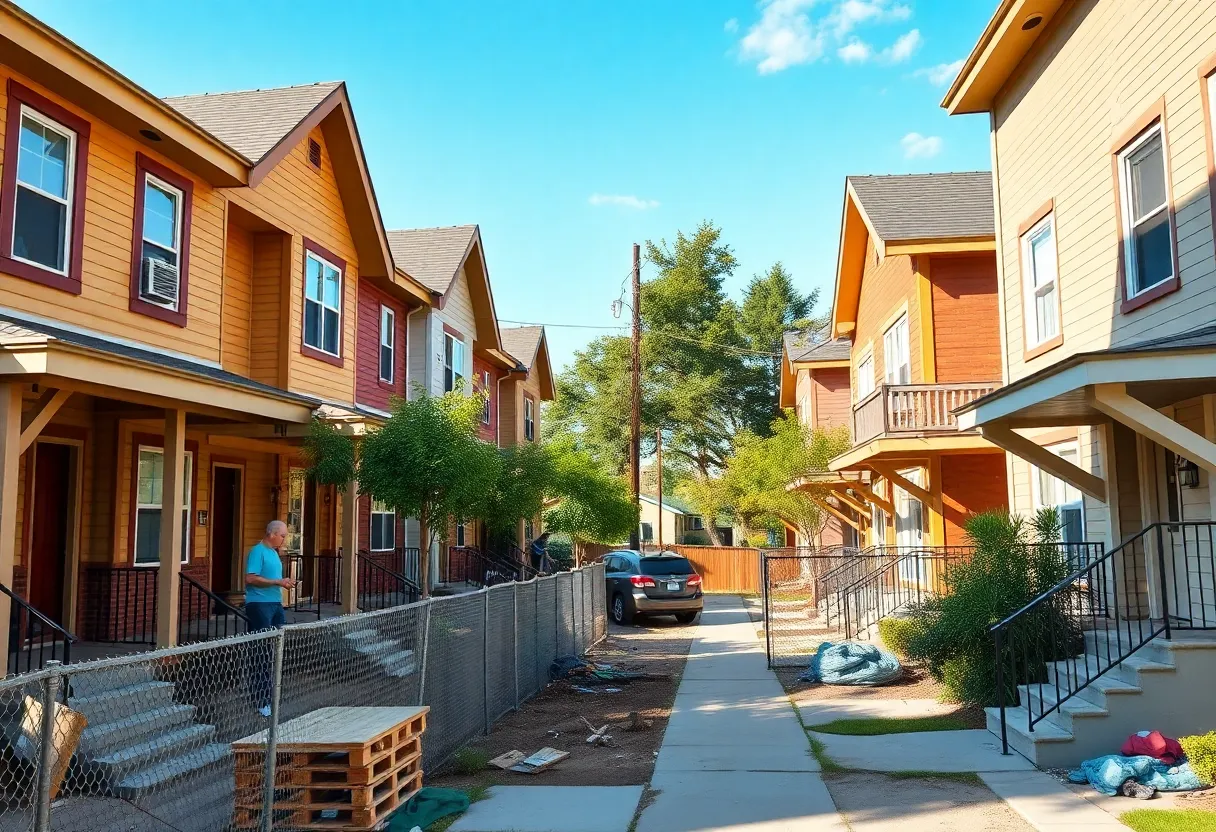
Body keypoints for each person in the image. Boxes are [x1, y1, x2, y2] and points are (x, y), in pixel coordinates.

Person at [245, 520, 295, 716]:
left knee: (276, 650)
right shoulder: (258, 551)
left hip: (275, 605)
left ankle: (271, 696)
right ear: (272, 533)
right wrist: (277, 581)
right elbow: (250, 577)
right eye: (282, 535)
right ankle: (261, 700)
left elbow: (273, 580)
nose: (284, 539)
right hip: (259, 605)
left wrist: (283, 583)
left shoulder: (274, 553)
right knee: (261, 652)